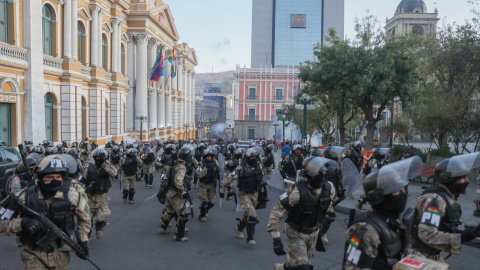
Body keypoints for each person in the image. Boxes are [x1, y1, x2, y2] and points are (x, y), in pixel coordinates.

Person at [0, 155, 91, 269]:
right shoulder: (24, 197)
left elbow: (85, 218)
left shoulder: (72, 195)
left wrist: (82, 239)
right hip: (33, 253)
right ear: (41, 177)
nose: (54, 180)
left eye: (58, 177)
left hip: (61, 254)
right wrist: (22, 223)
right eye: (50, 177)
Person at [344, 157, 423, 269]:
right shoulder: (367, 230)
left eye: (402, 189)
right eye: (397, 190)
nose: (403, 193)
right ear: (380, 197)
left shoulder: (392, 221)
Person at [408, 153, 480, 261]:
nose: (467, 181)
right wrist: (461, 237)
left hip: (432, 254)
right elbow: (427, 234)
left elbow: (443, 227)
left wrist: (467, 233)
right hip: (420, 257)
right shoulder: (435, 200)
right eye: (462, 177)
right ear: (448, 179)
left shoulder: (448, 197)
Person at [268, 157, 336, 270]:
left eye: (324, 172)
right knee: (304, 267)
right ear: (310, 175)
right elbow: (276, 213)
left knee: (297, 264)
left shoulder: (329, 188)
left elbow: (326, 205)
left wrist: (329, 212)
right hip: (295, 233)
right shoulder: (296, 191)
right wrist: (276, 239)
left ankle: (282, 267)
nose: (323, 175)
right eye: (319, 173)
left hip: (313, 233)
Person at [220, 148, 264, 245]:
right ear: (247, 158)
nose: (253, 158)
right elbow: (230, 178)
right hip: (244, 194)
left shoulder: (259, 165)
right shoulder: (241, 168)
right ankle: (250, 237)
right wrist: (222, 189)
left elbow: (261, 179)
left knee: (248, 213)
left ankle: (239, 228)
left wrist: (262, 192)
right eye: (251, 157)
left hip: (254, 193)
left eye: (254, 156)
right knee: (252, 215)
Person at [82, 149, 117, 241]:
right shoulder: (89, 167)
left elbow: (114, 174)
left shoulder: (107, 167)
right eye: (96, 157)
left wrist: (105, 165)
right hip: (90, 197)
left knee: (101, 217)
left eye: (100, 158)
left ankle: (99, 227)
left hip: (102, 198)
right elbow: (82, 179)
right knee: (87, 219)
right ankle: (87, 237)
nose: (98, 159)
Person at [158, 147, 190, 242]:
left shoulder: (170, 164)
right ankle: (179, 235)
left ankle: (163, 228)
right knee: (183, 213)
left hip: (169, 192)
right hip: (176, 193)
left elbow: (163, 178)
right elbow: (178, 182)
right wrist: (183, 191)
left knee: (169, 211)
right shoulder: (181, 167)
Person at [196, 148, 220, 222]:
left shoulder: (215, 162)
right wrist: (205, 170)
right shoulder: (201, 163)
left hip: (212, 184)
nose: (209, 158)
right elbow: (198, 174)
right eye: (207, 156)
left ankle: (206, 210)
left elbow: (219, 171)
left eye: (210, 156)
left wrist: (220, 179)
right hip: (203, 184)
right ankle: (202, 215)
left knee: (212, 202)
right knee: (205, 201)